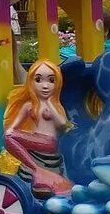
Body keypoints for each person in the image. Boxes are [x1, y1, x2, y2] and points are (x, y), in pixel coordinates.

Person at [4, 59, 71, 196]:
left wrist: (51, 104)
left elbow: (63, 124)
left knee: (9, 136)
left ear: (57, 83)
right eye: (39, 80)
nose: (45, 86)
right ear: (31, 82)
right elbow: (12, 127)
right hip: (35, 140)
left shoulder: (56, 106)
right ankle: (36, 169)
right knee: (8, 135)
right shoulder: (29, 105)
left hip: (49, 142)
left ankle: (36, 169)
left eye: (51, 80)